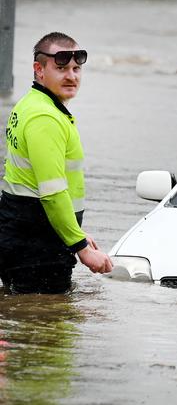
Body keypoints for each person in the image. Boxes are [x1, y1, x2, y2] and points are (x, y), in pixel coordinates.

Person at [0, 32, 113, 293]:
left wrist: (74, 234)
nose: (71, 76)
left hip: (24, 235)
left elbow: (29, 182)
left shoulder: (31, 103)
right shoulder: (45, 117)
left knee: (26, 320)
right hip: (37, 246)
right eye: (61, 68)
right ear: (39, 70)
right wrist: (82, 249)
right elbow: (51, 193)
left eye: (76, 69)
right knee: (52, 330)